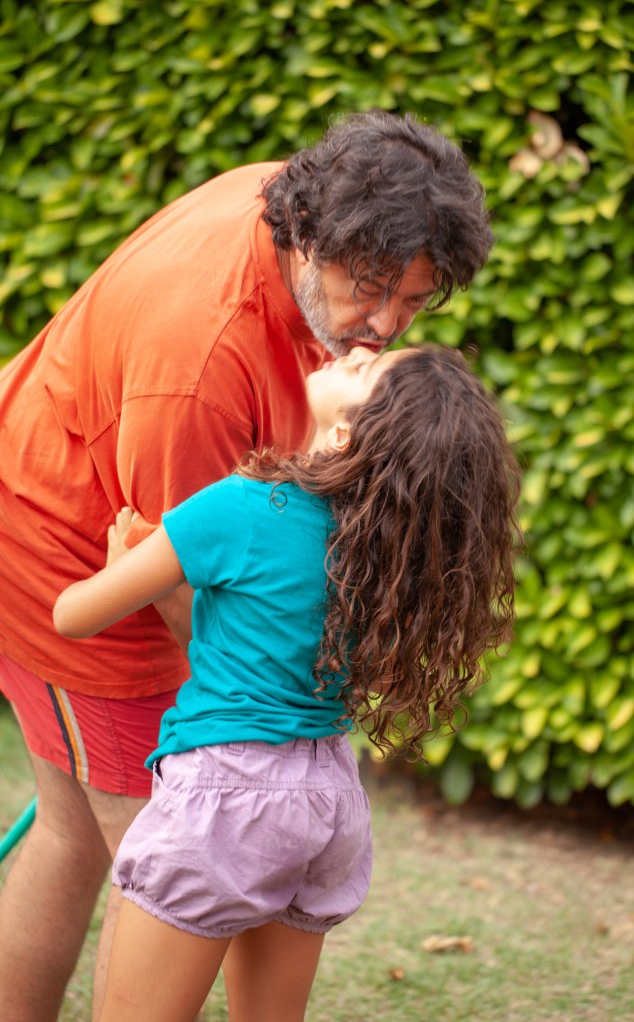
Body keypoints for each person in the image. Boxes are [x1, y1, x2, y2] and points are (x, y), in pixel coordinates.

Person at [0, 110, 494, 1021]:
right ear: (308, 236)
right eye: (370, 290)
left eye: (414, 301)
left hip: (147, 548)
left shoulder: (318, 208)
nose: (383, 328)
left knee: (83, 837)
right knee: (146, 845)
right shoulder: (196, 367)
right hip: (64, 545)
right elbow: (190, 606)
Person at [53, 343, 522, 1022]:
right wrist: (173, 588)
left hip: (223, 802)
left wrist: (126, 563)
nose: (356, 350)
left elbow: (73, 616)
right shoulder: (384, 556)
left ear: (345, 434)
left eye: (364, 370)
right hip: (327, 803)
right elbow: (239, 662)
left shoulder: (240, 509)